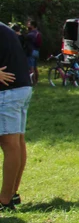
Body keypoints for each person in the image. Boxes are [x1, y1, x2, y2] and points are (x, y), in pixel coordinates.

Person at [0, 22, 31, 212]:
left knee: (9, 144)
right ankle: (12, 193)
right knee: (17, 142)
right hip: (21, 87)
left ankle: (4, 201)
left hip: (8, 92)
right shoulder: (4, 28)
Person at [24, 20, 41, 84]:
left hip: (31, 51)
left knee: (31, 67)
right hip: (36, 51)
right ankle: (36, 80)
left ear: (32, 26)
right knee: (35, 66)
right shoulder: (38, 33)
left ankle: (33, 82)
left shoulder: (30, 34)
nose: (28, 25)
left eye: (29, 24)